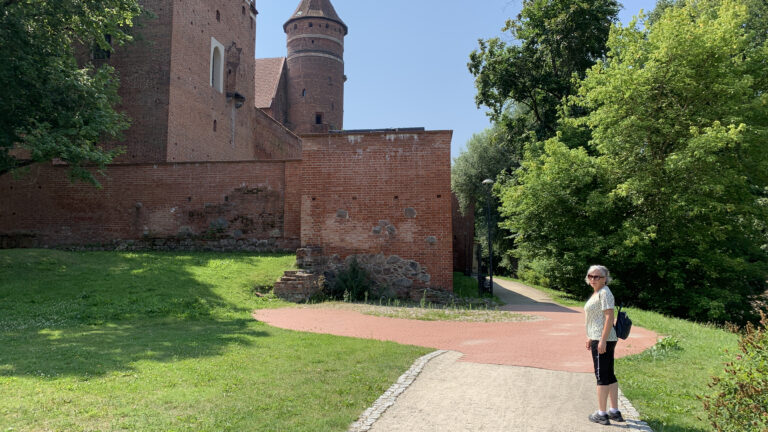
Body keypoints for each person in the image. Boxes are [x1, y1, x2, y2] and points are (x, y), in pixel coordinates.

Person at [584, 265, 625, 425]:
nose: (593, 279)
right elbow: (595, 318)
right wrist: (589, 336)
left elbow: (609, 317)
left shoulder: (605, 293)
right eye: (591, 276)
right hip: (601, 337)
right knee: (609, 374)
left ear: (605, 278)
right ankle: (614, 411)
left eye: (597, 277)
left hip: (603, 339)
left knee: (601, 376)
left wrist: (601, 340)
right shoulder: (598, 293)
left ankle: (601, 414)